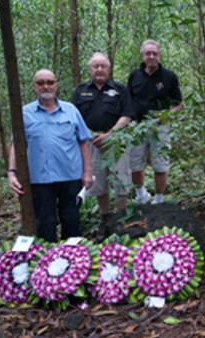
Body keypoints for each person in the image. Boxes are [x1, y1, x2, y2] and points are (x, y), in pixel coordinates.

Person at [7, 69, 92, 242]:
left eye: (50, 82)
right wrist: (11, 172)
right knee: (45, 223)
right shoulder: (24, 113)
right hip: (39, 179)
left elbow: (83, 142)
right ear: (34, 87)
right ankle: (46, 261)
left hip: (71, 176)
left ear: (56, 85)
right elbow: (16, 144)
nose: (46, 86)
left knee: (72, 221)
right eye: (41, 83)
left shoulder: (71, 110)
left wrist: (87, 172)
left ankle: (74, 262)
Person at [72, 52, 134, 236]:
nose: (99, 69)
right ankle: (105, 220)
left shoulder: (120, 89)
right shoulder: (81, 91)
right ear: (90, 69)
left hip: (117, 142)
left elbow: (128, 114)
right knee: (98, 182)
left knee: (121, 181)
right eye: (95, 66)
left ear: (109, 68)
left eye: (103, 66)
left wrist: (111, 134)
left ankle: (121, 219)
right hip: (91, 144)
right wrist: (90, 135)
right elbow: (73, 117)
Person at [127, 39, 183, 204]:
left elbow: (178, 104)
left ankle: (159, 198)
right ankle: (141, 195)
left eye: (154, 53)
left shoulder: (169, 77)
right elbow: (128, 100)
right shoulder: (134, 76)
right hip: (137, 125)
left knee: (160, 164)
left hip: (160, 125)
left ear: (159, 55)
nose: (151, 56)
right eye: (148, 53)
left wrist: (164, 116)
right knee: (135, 162)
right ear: (142, 55)